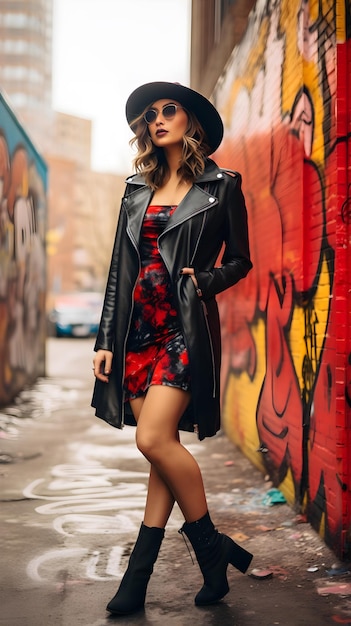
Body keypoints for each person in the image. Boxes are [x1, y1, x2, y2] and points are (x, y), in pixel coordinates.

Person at [92, 81, 253, 615]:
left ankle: (210, 549)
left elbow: (241, 261)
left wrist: (205, 280)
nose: (157, 119)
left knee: (154, 437)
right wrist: (105, 340)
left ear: (190, 123)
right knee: (159, 454)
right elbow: (121, 271)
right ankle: (142, 581)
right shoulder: (135, 190)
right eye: (150, 115)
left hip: (184, 329)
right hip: (138, 332)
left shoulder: (222, 186)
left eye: (169, 110)